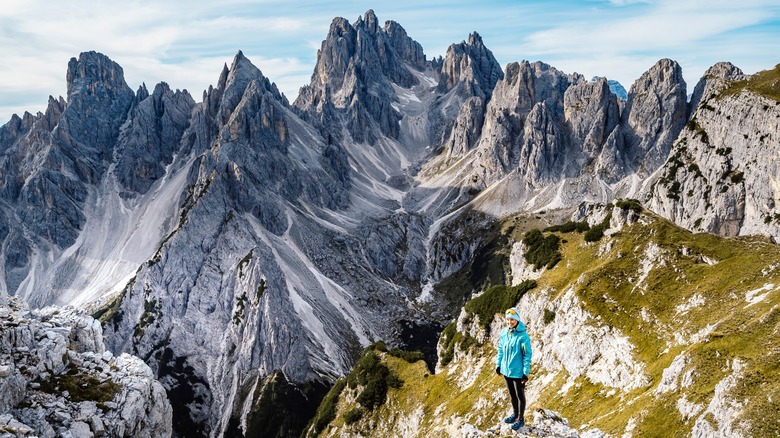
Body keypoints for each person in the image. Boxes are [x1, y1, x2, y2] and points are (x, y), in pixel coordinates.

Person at [495, 306, 532, 431]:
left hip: (517, 372)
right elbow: (500, 349)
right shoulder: (504, 333)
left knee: (520, 395)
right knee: (512, 395)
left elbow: (527, 355)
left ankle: (520, 419)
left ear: (517, 320)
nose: (510, 322)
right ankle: (515, 414)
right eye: (508, 319)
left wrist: (525, 372)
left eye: (512, 319)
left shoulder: (523, 336)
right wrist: (498, 365)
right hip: (506, 370)